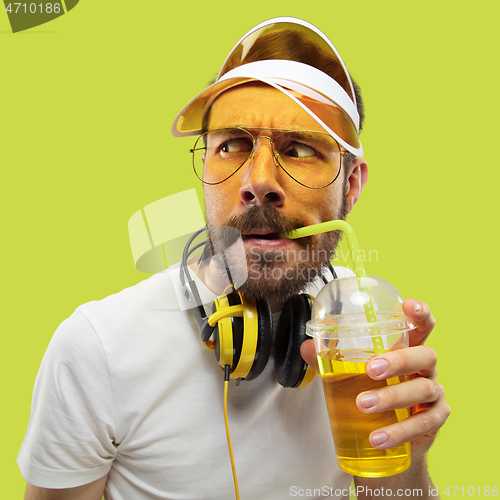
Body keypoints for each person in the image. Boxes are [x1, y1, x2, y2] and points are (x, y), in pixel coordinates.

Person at [18, 17, 450, 500]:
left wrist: (404, 461)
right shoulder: (96, 348)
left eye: (300, 148)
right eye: (232, 145)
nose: (258, 180)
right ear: (205, 171)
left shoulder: (362, 330)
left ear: (350, 185)